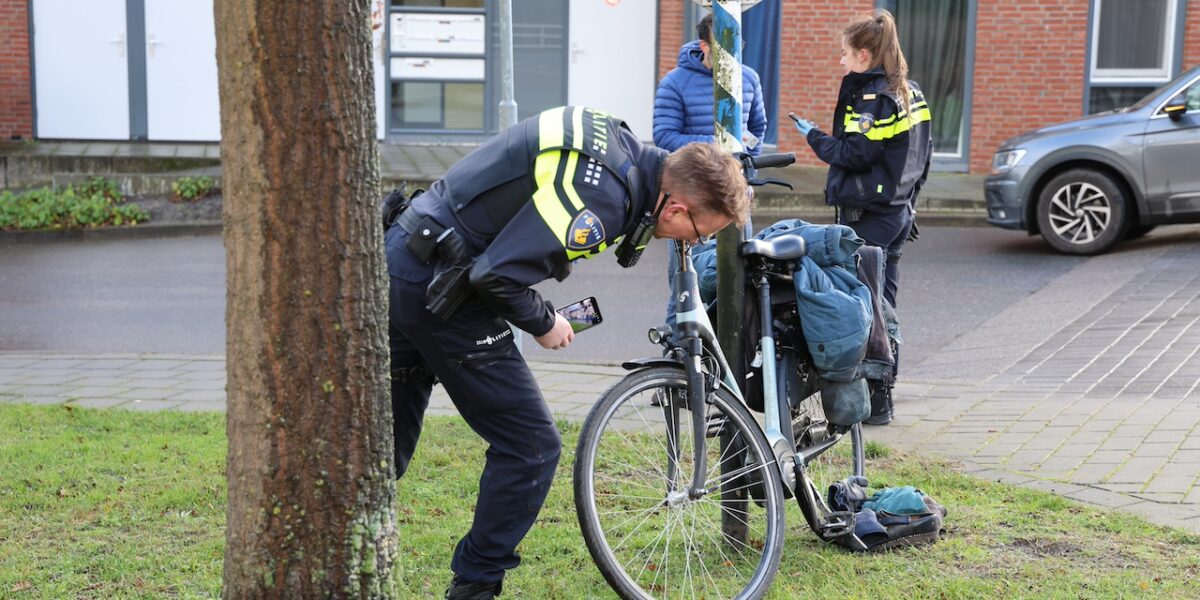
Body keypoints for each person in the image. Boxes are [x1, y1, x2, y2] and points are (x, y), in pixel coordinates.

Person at [384, 106, 748, 600]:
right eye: (702, 233)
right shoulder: (606, 202)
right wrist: (544, 321)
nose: (694, 242)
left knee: (382, 448)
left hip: (406, 257)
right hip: (442, 291)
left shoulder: (617, 140)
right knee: (531, 446)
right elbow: (496, 275)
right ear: (676, 209)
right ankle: (474, 589)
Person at [790, 9, 932, 425]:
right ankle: (883, 393)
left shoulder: (873, 98)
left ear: (865, 55)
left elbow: (854, 154)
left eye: (845, 54)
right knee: (884, 303)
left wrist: (814, 136)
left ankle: (876, 402)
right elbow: (924, 157)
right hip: (898, 212)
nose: (841, 62)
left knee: (865, 308)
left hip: (868, 214)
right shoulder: (911, 91)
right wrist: (909, 201)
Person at [653, 12, 767, 329]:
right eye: (723, 48)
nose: (731, 56)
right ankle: (676, 358)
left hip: (734, 196)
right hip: (693, 201)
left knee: (738, 277)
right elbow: (664, 137)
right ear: (704, 45)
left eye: (736, 47)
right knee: (685, 286)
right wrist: (720, 144)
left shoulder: (749, 79)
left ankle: (725, 357)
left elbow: (758, 129)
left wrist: (745, 159)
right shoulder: (675, 83)